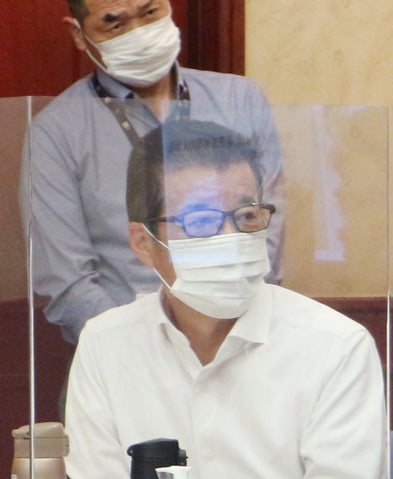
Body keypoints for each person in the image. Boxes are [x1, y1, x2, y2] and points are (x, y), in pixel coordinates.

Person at [65, 119, 393, 479]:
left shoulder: (336, 346)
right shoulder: (106, 343)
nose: (230, 239)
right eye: (201, 221)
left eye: (246, 217)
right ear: (144, 243)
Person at [23, 0, 284, 348]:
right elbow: (66, 282)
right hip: (123, 353)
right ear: (79, 35)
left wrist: (232, 335)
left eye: (150, 13)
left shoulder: (239, 98)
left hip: (242, 342)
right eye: (115, 24)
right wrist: (146, 352)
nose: (140, 33)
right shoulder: (56, 130)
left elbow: (267, 232)